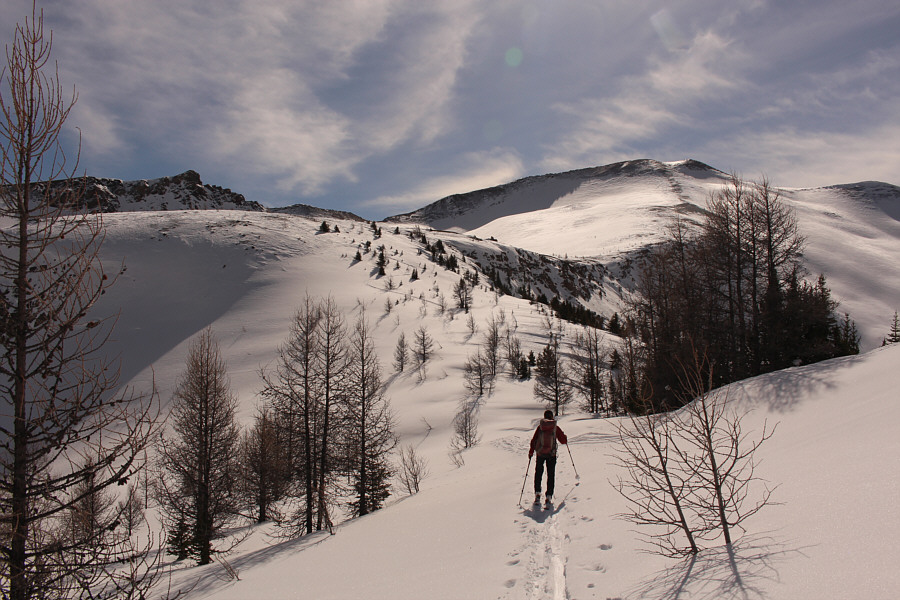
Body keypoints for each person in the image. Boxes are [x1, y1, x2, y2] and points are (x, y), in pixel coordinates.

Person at [528, 409, 567, 506]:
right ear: (552, 417)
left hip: (540, 454)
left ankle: (537, 493)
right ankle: (549, 495)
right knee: (550, 474)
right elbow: (563, 441)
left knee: (538, 473)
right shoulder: (555, 427)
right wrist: (564, 437)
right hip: (551, 454)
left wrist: (531, 452)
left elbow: (534, 440)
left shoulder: (540, 427)